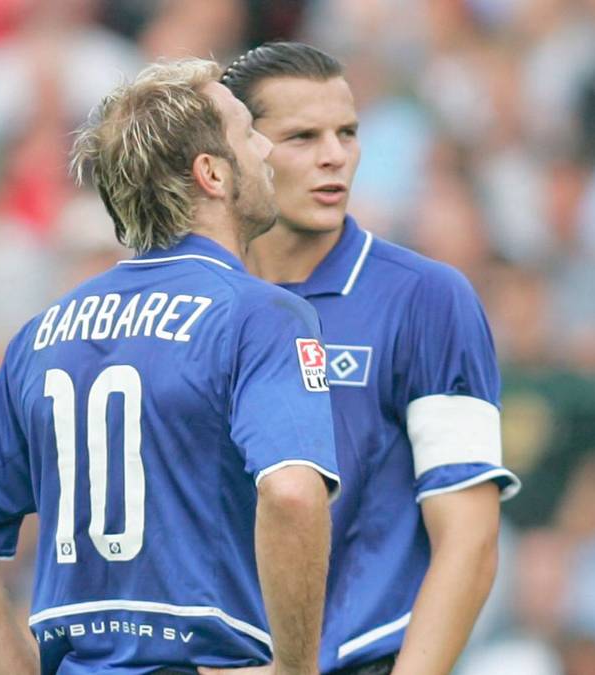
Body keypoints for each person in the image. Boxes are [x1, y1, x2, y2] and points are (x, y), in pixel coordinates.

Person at [0, 58, 339, 674]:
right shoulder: (261, 315)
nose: (265, 148)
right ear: (211, 173)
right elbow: (290, 495)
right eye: (246, 131)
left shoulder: (37, 337)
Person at [220, 42, 520, 675]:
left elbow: (470, 540)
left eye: (348, 132)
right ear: (234, 154)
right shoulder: (196, 302)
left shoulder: (428, 299)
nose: (335, 156)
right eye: (302, 137)